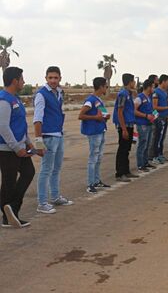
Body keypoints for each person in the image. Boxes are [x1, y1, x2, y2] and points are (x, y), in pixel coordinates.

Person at [0, 67, 40, 228]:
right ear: (15, 81)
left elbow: (19, 125)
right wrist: (17, 147)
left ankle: (12, 209)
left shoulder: (15, 99)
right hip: (7, 149)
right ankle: (7, 216)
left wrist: (28, 142)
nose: (23, 81)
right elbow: (3, 127)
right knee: (8, 182)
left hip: (20, 146)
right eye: (22, 79)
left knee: (28, 172)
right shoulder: (4, 100)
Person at [33, 66, 73, 214]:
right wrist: (39, 142)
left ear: (60, 78)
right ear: (46, 78)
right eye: (50, 78)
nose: (53, 80)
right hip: (48, 137)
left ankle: (55, 196)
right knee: (46, 170)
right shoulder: (41, 95)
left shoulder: (59, 93)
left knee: (56, 169)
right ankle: (42, 203)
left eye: (56, 78)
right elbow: (37, 120)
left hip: (58, 135)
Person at [78, 77, 111, 194]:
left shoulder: (98, 100)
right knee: (93, 158)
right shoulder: (90, 100)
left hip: (100, 130)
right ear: (101, 87)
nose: (107, 88)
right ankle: (90, 183)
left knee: (99, 157)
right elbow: (81, 115)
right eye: (106, 86)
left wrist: (106, 117)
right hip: (94, 132)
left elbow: (104, 114)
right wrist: (95, 118)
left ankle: (96, 180)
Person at [113, 73, 139, 182]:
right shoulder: (123, 94)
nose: (135, 83)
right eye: (133, 81)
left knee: (127, 149)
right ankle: (120, 173)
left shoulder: (128, 93)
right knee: (122, 149)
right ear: (130, 82)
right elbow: (120, 112)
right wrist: (123, 129)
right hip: (124, 125)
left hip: (129, 124)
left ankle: (126, 171)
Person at [152, 75, 168, 164]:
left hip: (165, 117)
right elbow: (155, 107)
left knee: (162, 137)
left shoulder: (165, 92)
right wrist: (167, 107)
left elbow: (165, 102)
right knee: (158, 137)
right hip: (159, 117)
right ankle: (155, 156)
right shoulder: (156, 92)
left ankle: (160, 154)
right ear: (164, 82)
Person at [134, 79, 156, 173]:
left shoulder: (149, 97)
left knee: (147, 144)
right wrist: (146, 116)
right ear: (149, 87)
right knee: (142, 144)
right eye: (153, 87)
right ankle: (140, 164)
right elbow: (134, 110)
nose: (154, 89)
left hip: (149, 123)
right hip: (142, 124)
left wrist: (153, 115)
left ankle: (145, 162)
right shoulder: (140, 98)